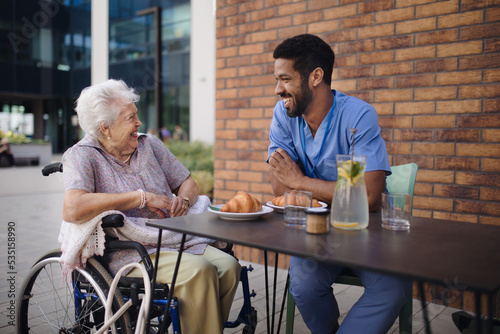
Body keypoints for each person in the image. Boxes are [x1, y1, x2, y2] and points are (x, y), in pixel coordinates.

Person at [62, 79, 241, 333]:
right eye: (130, 118)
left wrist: (185, 200)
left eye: (136, 115)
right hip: (131, 253)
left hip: (173, 238)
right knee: (200, 271)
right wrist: (141, 197)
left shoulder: (149, 145)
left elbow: (188, 182)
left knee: (229, 268)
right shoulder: (82, 155)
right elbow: (72, 207)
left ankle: (199, 325)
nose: (139, 123)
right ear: (105, 128)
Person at [267, 34, 411, 334]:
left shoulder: (358, 116)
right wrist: (338, 191)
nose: (277, 89)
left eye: (285, 79)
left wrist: (301, 181)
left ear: (316, 76)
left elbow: (369, 197)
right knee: (303, 283)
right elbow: (280, 190)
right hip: (317, 235)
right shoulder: (284, 114)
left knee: (392, 288)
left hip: (368, 235)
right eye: (277, 79)